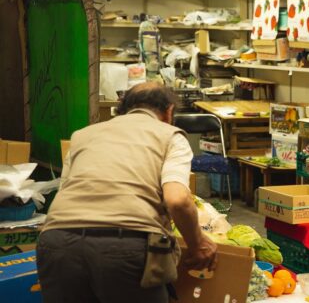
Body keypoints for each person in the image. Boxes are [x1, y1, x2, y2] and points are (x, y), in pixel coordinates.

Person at [37, 82, 217, 302]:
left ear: (122, 109)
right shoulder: (170, 136)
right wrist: (198, 245)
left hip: (57, 243)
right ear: (169, 111)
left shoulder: (82, 136)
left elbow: (65, 190)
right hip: (126, 246)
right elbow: (178, 200)